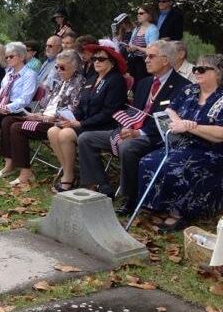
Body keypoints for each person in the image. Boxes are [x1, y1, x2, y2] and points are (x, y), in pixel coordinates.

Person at [77, 40, 189, 208]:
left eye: (151, 56)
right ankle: (102, 186)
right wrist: (128, 128)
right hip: (133, 131)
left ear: (165, 60)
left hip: (156, 137)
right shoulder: (144, 83)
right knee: (86, 138)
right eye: (145, 56)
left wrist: (138, 133)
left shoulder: (183, 86)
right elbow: (135, 113)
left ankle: (130, 198)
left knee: (127, 147)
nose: (146, 60)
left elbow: (168, 124)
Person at [138, 54, 223, 232]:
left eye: (201, 69)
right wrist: (178, 121)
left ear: (217, 72)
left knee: (176, 166)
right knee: (148, 160)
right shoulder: (189, 90)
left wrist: (191, 127)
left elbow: (220, 134)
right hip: (181, 143)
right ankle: (158, 207)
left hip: (210, 150)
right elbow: (169, 109)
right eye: (195, 69)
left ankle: (178, 214)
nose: (196, 72)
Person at [0, 50, 86, 186]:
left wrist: (48, 117)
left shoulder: (79, 83)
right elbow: (47, 103)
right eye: (56, 67)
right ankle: (9, 165)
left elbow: (73, 109)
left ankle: (26, 173)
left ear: (75, 67)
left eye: (62, 67)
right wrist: (38, 114)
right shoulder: (60, 81)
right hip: (44, 117)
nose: (58, 70)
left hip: (56, 122)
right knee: (8, 120)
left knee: (17, 127)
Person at [47, 40, 128, 191]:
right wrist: (70, 118)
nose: (96, 62)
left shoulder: (116, 81)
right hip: (85, 122)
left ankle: (69, 178)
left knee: (65, 134)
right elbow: (82, 106)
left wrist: (80, 124)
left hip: (104, 126)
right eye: (94, 59)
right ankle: (68, 173)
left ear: (112, 62)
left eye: (101, 59)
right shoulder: (92, 79)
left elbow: (108, 113)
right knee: (52, 131)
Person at [127, 4, 159, 88]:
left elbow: (152, 49)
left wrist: (137, 48)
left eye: (141, 13)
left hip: (143, 63)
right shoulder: (136, 29)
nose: (138, 15)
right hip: (132, 62)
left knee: (141, 86)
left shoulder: (153, 29)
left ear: (149, 14)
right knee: (133, 86)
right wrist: (129, 48)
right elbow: (131, 43)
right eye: (137, 13)